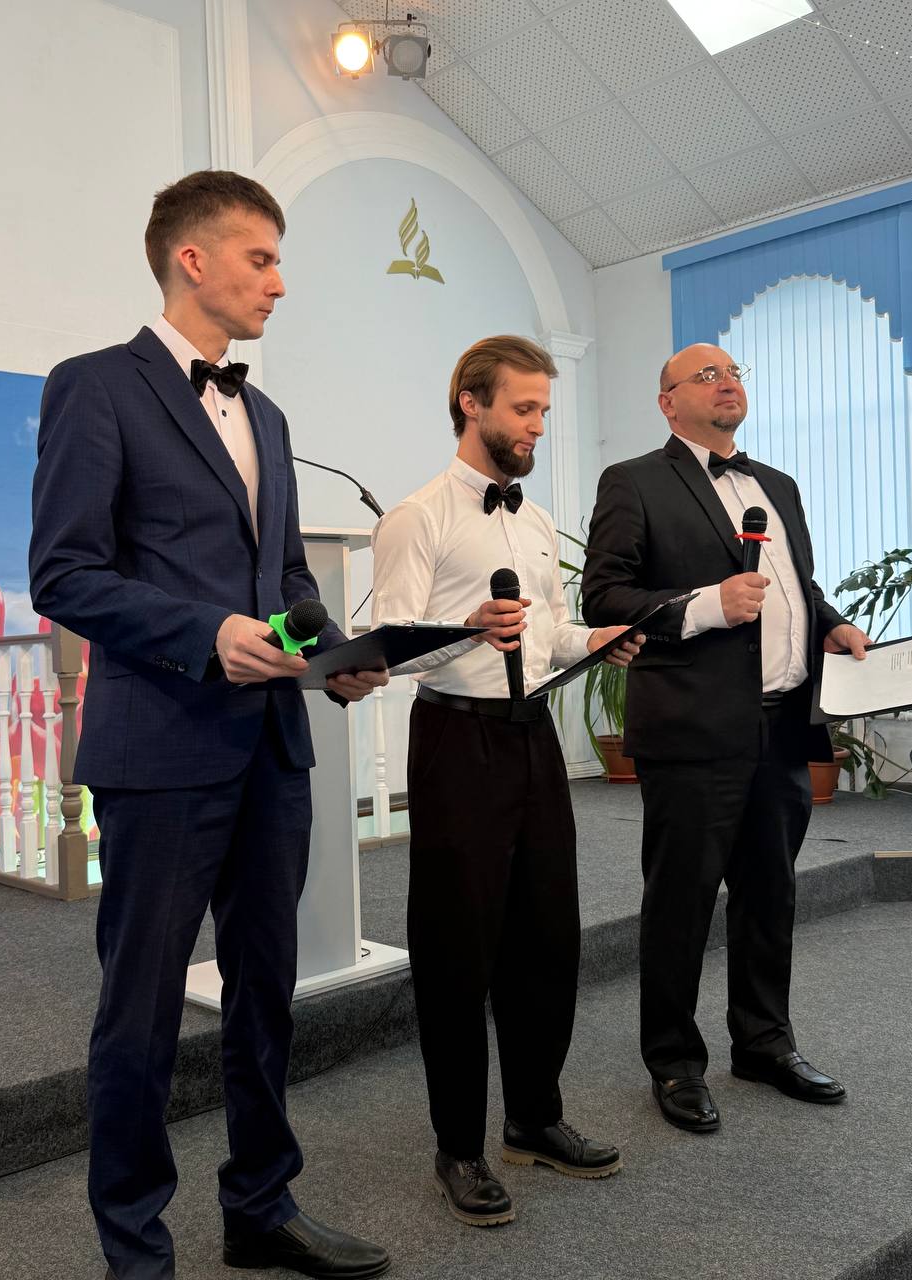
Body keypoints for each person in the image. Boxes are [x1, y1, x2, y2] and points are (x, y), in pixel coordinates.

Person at [29, 171, 391, 1280]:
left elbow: (286, 576)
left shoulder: (266, 415)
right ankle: (135, 1249)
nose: (279, 282)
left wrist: (332, 652)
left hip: (273, 745)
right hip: (161, 746)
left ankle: (260, 1206)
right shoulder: (95, 386)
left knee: (265, 992)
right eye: (261, 258)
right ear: (193, 259)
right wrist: (207, 633)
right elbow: (65, 573)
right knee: (139, 1012)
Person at [371, 335, 642, 1227]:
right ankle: (459, 1147)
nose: (537, 426)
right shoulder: (416, 516)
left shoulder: (534, 520)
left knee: (547, 936)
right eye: (524, 409)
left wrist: (596, 640)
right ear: (471, 402)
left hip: (532, 739)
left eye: (544, 411)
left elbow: (550, 632)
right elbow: (392, 647)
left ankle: (534, 1117)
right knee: (458, 948)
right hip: (455, 739)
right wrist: (467, 626)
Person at [581, 342, 871, 1134]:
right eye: (707, 375)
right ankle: (674, 1062)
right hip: (694, 728)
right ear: (668, 401)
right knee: (680, 902)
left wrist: (832, 622)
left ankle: (765, 1042)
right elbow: (604, 596)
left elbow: (796, 586)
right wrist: (708, 603)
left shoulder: (778, 484)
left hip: (782, 725)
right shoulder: (633, 481)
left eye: (735, 372)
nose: (727, 383)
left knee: (770, 893)